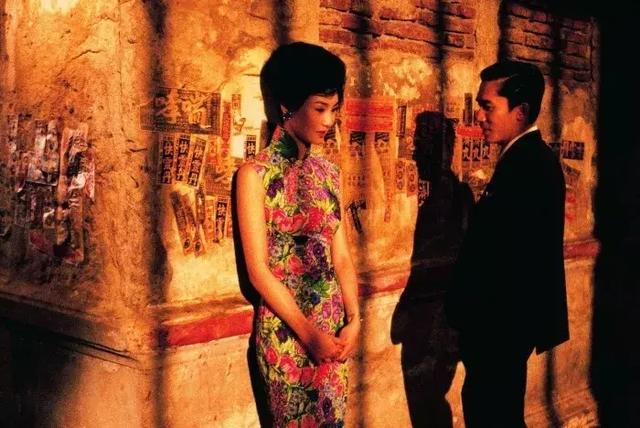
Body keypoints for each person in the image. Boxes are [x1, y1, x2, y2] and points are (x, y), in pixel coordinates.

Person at [236, 42, 360, 427]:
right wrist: (308, 334)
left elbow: (341, 256)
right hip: (287, 332)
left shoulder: (329, 174)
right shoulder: (253, 175)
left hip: (333, 327)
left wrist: (354, 318)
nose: (329, 120)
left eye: (334, 109)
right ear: (288, 106)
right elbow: (258, 271)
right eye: (320, 109)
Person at [445, 60, 569, 427]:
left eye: (488, 106)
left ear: (521, 111)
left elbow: (510, 258)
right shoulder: (523, 159)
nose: (479, 116)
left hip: (500, 326)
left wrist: (475, 320)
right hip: (502, 325)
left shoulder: (529, 165)